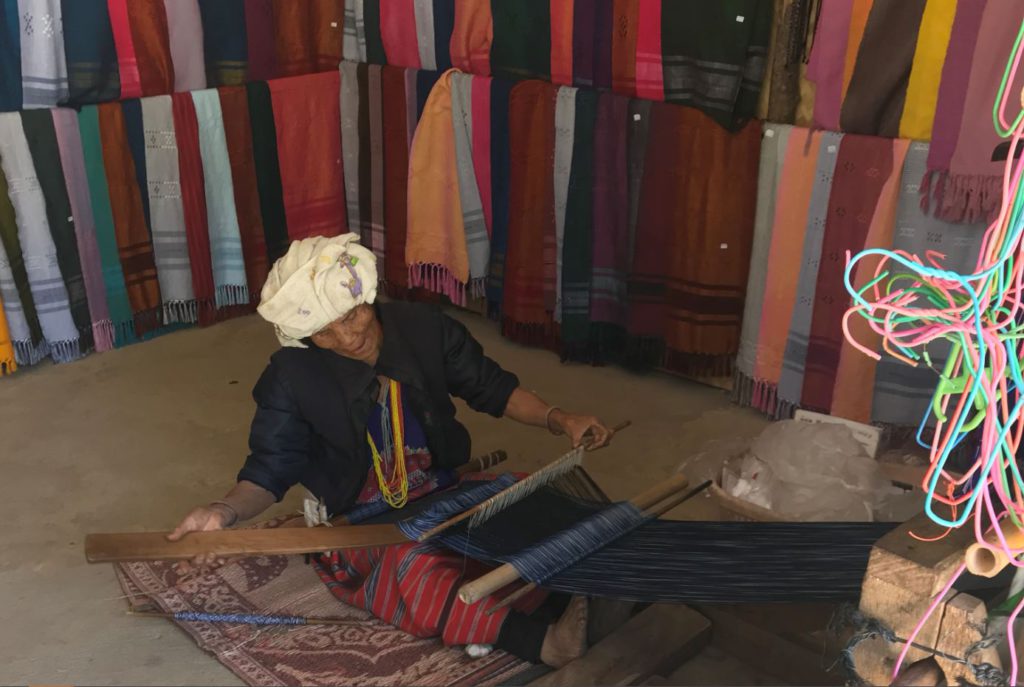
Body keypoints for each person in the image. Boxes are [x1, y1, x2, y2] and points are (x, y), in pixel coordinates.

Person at [170, 234, 615, 667]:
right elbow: (269, 469)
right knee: (412, 569)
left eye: (351, 317)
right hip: (365, 525)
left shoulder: (425, 329)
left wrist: (561, 418)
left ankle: (579, 589)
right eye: (324, 334)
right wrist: (222, 513)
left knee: (535, 499)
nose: (346, 339)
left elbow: (493, 388)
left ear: (365, 296)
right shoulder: (291, 376)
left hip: (446, 490)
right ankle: (539, 641)